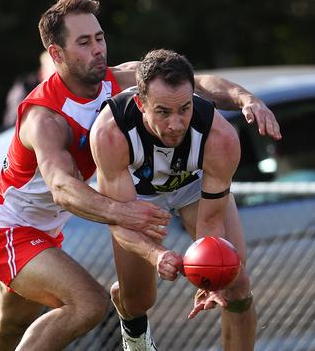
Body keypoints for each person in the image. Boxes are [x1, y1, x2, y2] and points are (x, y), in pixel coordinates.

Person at [0, 0, 279, 351]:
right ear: (56, 55)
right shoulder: (45, 117)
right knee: (88, 304)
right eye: (84, 43)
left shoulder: (120, 80)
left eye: (99, 38)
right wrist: (122, 212)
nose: (98, 50)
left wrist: (245, 99)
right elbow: (61, 188)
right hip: (9, 230)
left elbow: (197, 84)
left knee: (8, 323)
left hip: (46, 230)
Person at [90, 49, 256, 350]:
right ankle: (128, 309)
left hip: (193, 187)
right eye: (163, 112)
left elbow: (212, 220)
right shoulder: (110, 132)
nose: (176, 124)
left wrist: (212, 274)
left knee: (236, 283)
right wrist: (157, 256)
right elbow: (118, 219)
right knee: (139, 299)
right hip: (137, 198)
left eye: (184, 109)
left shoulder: (220, 136)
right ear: (141, 104)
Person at [2, 51, 57, 127]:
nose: (60, 81)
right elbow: (13, 126)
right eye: (54, 75)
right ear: (41, 74)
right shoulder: (23, 91)